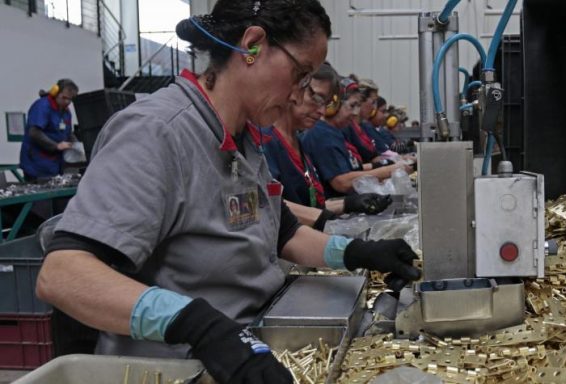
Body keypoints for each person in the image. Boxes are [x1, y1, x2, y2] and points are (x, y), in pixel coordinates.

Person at [35, 2, 421, 384]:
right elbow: (63, 274)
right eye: (300, 74)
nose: (298, 95)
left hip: (249, 346)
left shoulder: (244, 141)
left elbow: (285, 234)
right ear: (252, 45)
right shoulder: (157, 133)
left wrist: (357, 253)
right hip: (182, 367)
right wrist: (196, 324)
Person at [262, 63, 392, 228]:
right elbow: (271, 207)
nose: (322, 111)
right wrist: (325, 218)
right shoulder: (265, 143)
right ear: (293, 89)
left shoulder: (298, 143)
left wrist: (348, 204)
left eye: (327, 104)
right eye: (316, 98)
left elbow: (309, 205)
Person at [302, 77, 412, 197]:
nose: (355, 113)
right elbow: (341, 182)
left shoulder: (335, 133)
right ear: (333, 105)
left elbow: (351, 170)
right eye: (352, 105)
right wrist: (391, 170)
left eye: (358, 106)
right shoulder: (322, 134)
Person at [20, 79, 79, 181]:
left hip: (54, 164)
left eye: (70, 99)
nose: (67, 102)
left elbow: (68, 133)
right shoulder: (42, 106)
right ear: (55, 92)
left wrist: (77, 146)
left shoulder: (66, 112)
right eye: (64, 98)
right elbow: (34, 132)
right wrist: (56, 146)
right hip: (36, 164)